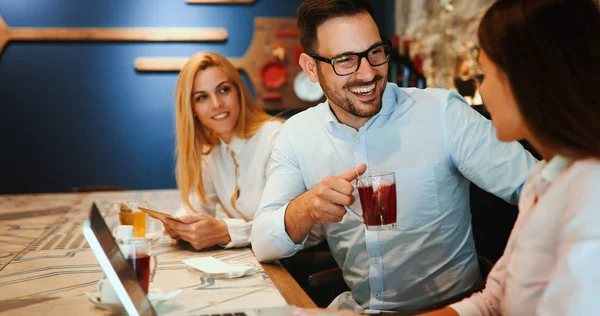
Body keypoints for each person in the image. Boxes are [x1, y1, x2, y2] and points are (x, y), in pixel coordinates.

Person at [292, 0, 600, 315]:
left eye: (484, 74)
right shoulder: (545, 184)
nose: (482, 90)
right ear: (311, 68)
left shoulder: (586, 202)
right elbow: (491, 302)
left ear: (531, 82)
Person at [250, 0, 538, 313]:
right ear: (310, 68)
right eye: (345, 60)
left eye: (375, 52)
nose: (368, 73)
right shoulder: (298, 134)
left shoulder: (442, 113)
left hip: (452, 310)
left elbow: (544, 190)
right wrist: (305, 208)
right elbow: (263, 242)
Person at [159, 52, 283, 250]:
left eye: (223, 90)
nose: (216, 104)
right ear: (192, 109)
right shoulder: (210, 151)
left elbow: (286, 226)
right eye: (202, 97)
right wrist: (181, 225)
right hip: (252, 261)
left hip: (291, 266)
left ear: (239, 92)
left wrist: (225, 231)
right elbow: (197, 206)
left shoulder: (275, 137)